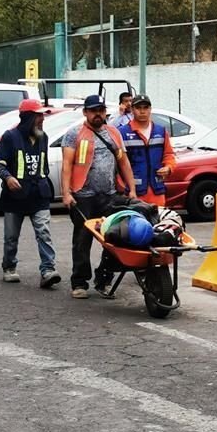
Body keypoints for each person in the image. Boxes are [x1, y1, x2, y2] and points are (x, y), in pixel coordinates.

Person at [61, 94, 137, 299]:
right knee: (82, 240)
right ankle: (79, 283)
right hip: (83, 197)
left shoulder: (114, 133)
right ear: (85, 113)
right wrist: (66, 193)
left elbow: (124, 162)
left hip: (110, 195)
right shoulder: (74, 134)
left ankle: (104, 280)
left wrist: (131, 189)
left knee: (113, 240)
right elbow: (67, 165)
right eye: (93, 111)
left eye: (101, 110)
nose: (98, 114)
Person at [0, 99, 61, 288]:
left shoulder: (43, 137)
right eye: (38, 116)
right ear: (27, 118)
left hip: (39, 195)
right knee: (11, 238)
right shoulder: (10, 137)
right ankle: (9, 267)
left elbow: (43, 165)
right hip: (14, 197)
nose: (42, 119)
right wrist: (8, 178)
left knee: (44, 233)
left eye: (42, 115)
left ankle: (48, 270)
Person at [117, 95, 176, 207]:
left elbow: (169, 155)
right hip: (133, 194)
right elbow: (117, 164)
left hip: (157, 191)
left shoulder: (161, 131)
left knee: (158, 218)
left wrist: (168, 168)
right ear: (132, 110)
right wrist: (123, 188)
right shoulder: (122, 133)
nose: (142, 111)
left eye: (145, 108)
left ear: (150, 109)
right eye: (138, 108)